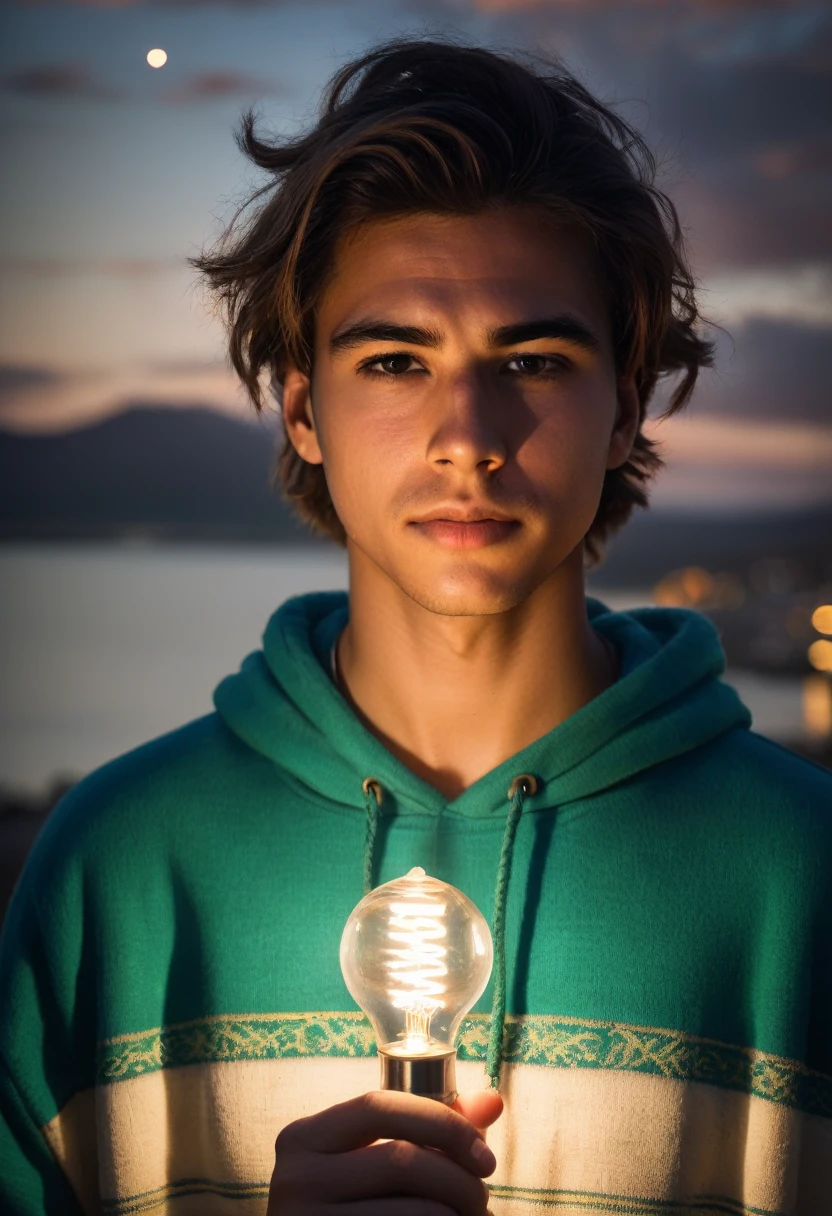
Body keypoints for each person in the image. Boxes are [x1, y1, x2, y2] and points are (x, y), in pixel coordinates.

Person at [1, 35, 830, 1216]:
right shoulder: (122, 868)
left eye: (532, 358)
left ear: (623, 407)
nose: (465, 435)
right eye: (394, 359)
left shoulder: (800, 872)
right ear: (302, 410)